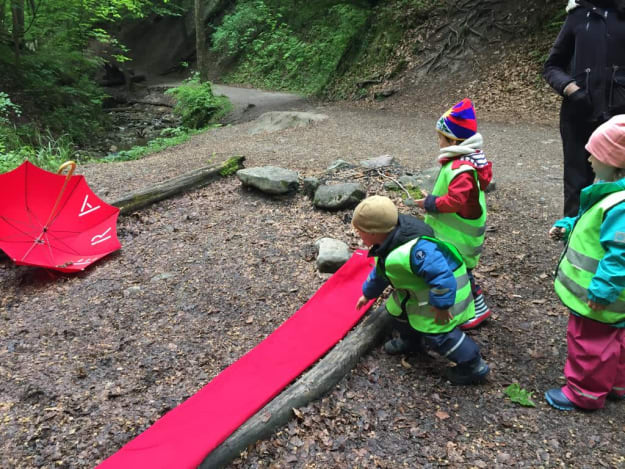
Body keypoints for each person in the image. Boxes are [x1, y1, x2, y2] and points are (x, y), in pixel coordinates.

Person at [353, 195, 490, 385]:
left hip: (443, 297)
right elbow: (382, 271)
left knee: (440, 334)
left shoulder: (418, 250)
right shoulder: (388, 241)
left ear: (374, 232)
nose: (359, 236)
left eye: (361, 232)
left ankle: (473, 365)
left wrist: (441, 305)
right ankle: (411, 342)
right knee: (399, 313)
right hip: (415, 295)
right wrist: (368, 293)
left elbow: (442, 277)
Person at [545, 115, 625, 411]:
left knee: (589, 342)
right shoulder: (612, 193)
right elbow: (591, 226)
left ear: (616, 162)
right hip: (615, 298)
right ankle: (616, 384)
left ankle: (585, 393)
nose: (589, 157)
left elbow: (620, 253)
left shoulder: (621, 205)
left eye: (596, 153)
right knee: (616, 338)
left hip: (602, 294)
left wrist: (603, 290)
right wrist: (568, 226)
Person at [415, 98, 493, 330]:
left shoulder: (462, 169)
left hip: (460, 239)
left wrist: (430, 203)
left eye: (440, 137)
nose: (438, 141)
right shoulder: (463, 162)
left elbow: (456, 200)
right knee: (455, 270)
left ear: (453, 140)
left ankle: (477, 309)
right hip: (455, 237)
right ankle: (460, 304)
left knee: (461, 274)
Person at [543, 0, 625, 217]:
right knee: (576, 186)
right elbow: (552, 66)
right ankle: (572, 242)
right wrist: (571, 89)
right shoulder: (578, 15)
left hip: (620, 120)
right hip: (579, 115)